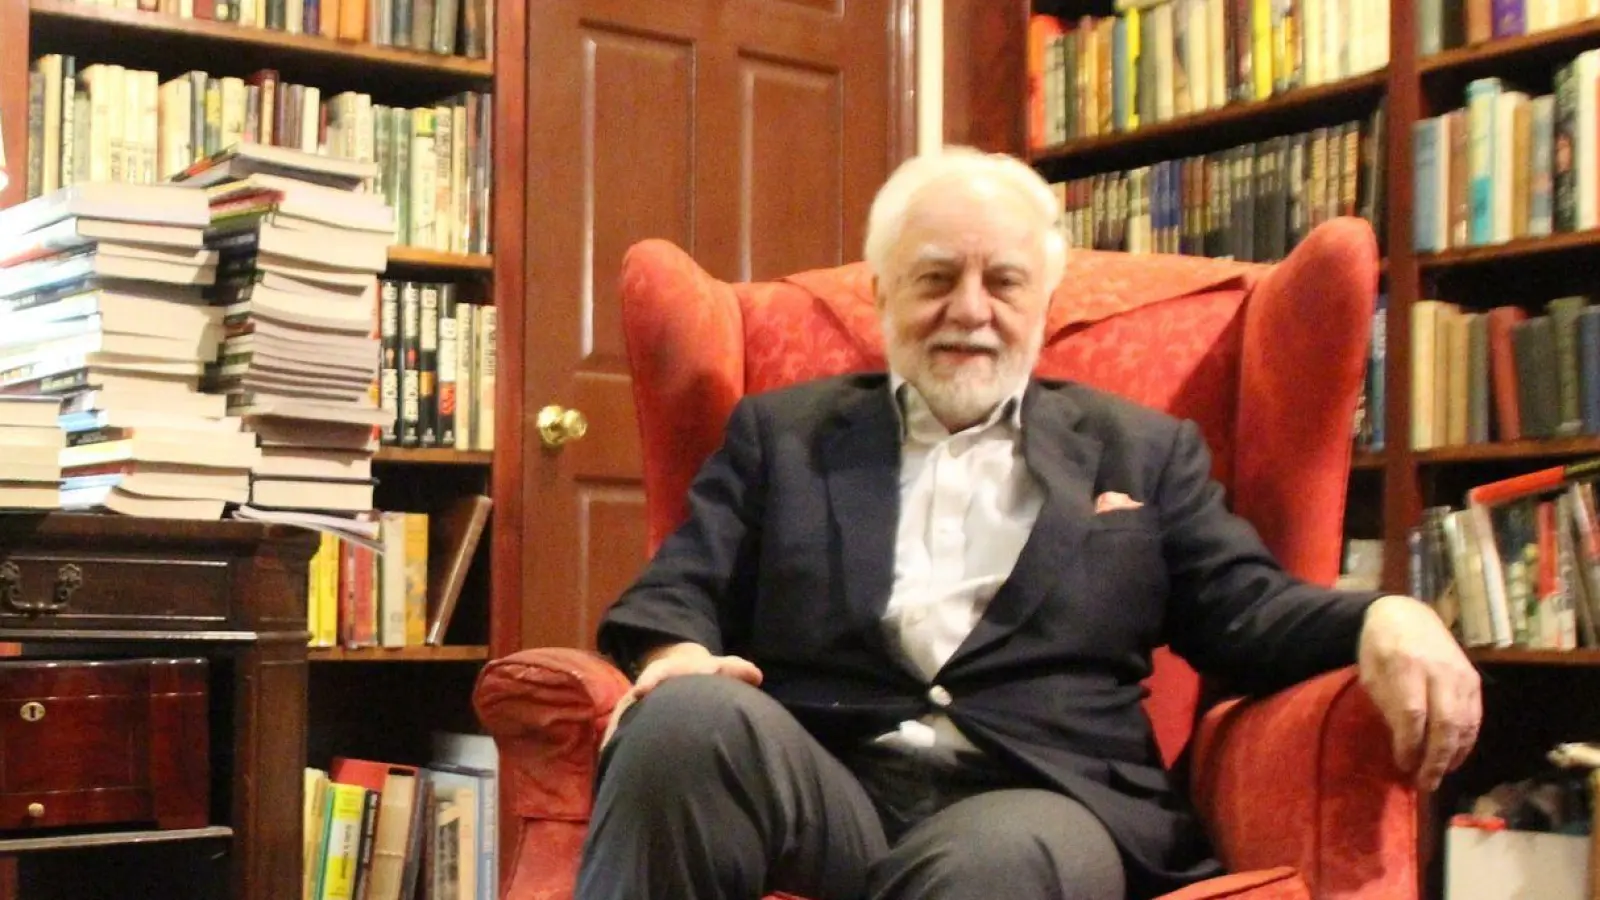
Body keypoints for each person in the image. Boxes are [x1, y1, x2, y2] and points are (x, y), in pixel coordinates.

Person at [576, 147, 1480, 900]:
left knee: (992, 868)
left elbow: (1247, 609)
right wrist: (674, 660)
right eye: (936, 278)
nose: (971, 309)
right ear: (885, 295)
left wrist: (1383, 617)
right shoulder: (787, 434)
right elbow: (678, 588)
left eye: (1003, 281)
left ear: (1043, 303)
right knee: (682, 722)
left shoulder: (1141, 452)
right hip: (829, 787)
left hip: (1044, 797)